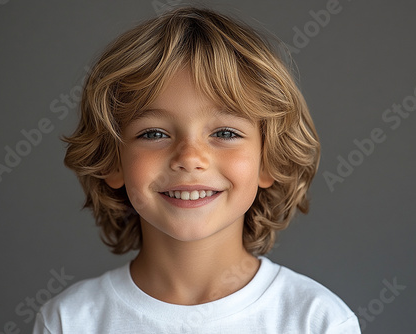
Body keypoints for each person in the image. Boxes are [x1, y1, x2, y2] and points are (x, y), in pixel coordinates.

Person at [33, 6, 361, 333]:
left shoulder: (319, 322)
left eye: (225, 133)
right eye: (154, 133)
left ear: (269, 160)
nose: (190, 158)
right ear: (111, 161)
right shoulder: (69, 321)